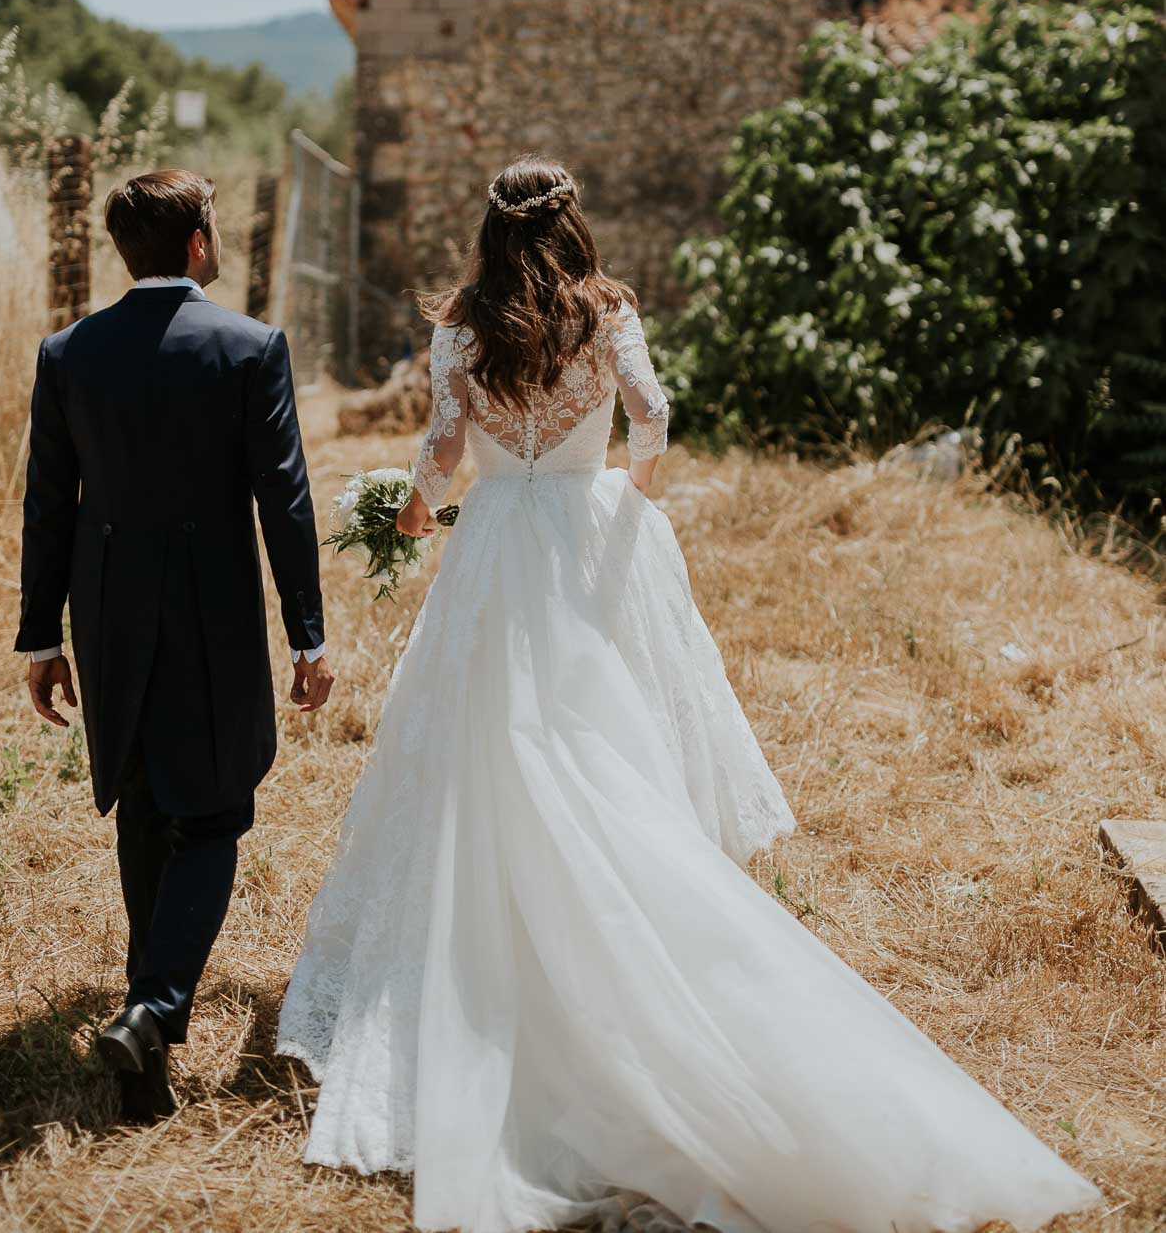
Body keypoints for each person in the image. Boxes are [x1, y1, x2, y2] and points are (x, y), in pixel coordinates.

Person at [278, 155, 1099, 1233]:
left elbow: (441, 447)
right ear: (573, 222)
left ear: (488, 228)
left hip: (496, 558)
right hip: (579, 531)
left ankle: (495, 961)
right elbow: (654, 415)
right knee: (598, 743)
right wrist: (624, 489)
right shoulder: (606, 312)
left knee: (488, 756)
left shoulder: (463, 325)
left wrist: (421, 510)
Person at [17, 169, 333, 1123]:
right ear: (197, 242)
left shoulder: (69, 351)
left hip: (104, 612)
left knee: (146, 812)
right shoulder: (249, 347)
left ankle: (143, 1072)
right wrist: (306, 631)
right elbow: (283, 498)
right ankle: (153, 1006)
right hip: (212, 616)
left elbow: (47, 505)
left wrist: (41, 635)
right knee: (216, 814)